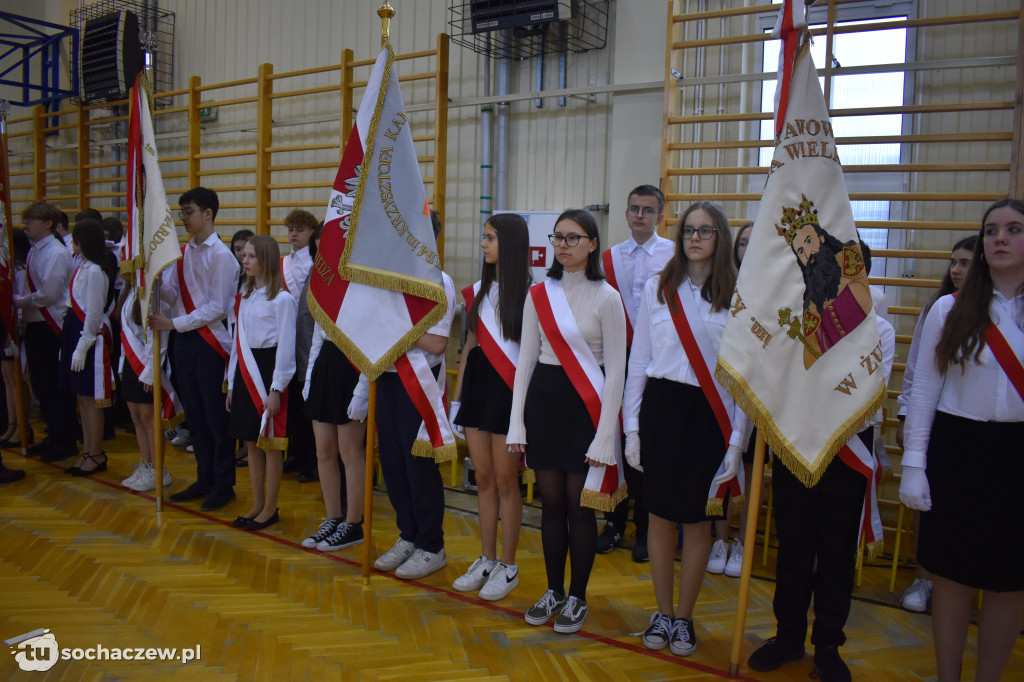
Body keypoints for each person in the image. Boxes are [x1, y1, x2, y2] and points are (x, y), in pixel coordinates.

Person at [749, 242, 895, 682]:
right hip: (798, 448)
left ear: (863, 279)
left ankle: (829, 643)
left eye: (853, 272)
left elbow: (870, 401)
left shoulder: (878, 331)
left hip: (846, 452)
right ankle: (789, 635)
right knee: (792, 549)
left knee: (835, 553)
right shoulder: (797, 325)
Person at [900, 198, 1024, 682]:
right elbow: (926, 389)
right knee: (950, 578)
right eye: (992, 229)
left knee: (1010, 583)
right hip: (958, 450)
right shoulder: (949, 309)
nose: (1000, 238)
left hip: (1016, 456)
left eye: (1014, 229)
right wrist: (914, 462)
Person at [623, 201, 746, 656]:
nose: (695, 238)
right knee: (658, 518)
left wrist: (737, 441)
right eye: (689, 230)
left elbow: (745, 379)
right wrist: (631, 427)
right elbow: (639, 362)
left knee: (697, 524)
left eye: (706, 231)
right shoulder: (659, 287)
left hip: (710, 416)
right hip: (661, 408)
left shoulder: (738, 296)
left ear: (721, 238)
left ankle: (684, 618)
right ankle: (660, 610)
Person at [507, 209, 626, 634]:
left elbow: (616, 371)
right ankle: (554, 590)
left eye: (573, 238)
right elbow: (524, 360)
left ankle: (578, 596)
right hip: (545, 403)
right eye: (558, 237)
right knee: (551, 504)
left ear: (593, 243)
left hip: (585, 409)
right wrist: (516, 423)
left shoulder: (608, 297)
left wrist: (605, 435)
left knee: (579, 508)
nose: (563, 244)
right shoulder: (540, 293)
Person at [349, 211, 456, 579]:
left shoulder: (439, 283)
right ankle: (408, 535)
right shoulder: (391, 281)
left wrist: (397, 326)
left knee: (418, 467)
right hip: (388, 380)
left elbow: (437, 343)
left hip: (420, 383)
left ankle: (432, 545)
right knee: (392, 465)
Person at [450, 213, 532, 600]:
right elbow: (468, 347)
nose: (483, 244)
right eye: (483, 237)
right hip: (480, 386)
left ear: (511, 243)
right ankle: (485, 558)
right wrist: (457, 397)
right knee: (481, 478)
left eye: (491, 238)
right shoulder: (478, 291)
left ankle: (509, 565)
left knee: (505, 481)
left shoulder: (533, 293)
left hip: (511, 391)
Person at [894, 234, 976, 613]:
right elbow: (916, 375)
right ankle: (925, 580)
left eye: (966, 263)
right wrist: (906, 415)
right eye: (954, 262)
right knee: (932, 508)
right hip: (939, 425)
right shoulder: (939, 309)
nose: (957, 270)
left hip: (982, 428)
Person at [596, 184, 674, 562]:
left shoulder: (674, 255)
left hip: (657, 361)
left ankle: (645, 526)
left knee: (645, 443)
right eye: (633, 209)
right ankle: (614, 521)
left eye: (647, 209)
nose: (639, 215)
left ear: (660, 215)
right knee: (612, 440)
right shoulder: (609, 258)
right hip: (617, 357)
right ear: (625, 214)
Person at [151, 187, 240, 511]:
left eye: (188, 211)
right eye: (181, 212)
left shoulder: (222, 257)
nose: (183, 218)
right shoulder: (184, 252)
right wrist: (157, 282)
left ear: (207, 213)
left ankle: (223, 483)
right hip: (185, 340)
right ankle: (204, 478)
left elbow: (217, 307)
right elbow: (174, 294)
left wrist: (173, 324)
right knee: (196, 417)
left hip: (210, 343)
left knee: (215, 418)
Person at [301, 222, 367, 552]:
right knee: (323, 450)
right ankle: (333, 516)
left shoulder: (365, 280)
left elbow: (372, 338)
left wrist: (363, 390)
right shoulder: (323, 279)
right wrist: (311, 376)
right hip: (327, 361)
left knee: (349, 452)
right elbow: (317, 332)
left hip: (353, 364)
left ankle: (354, 523)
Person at [226, 236, 296, 531]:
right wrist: (231, 384)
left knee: (270, 445)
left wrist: (276, 388)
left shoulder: (282, 299)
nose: (245, 259)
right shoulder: (244, 296)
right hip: (245, 371)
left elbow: (286, 348)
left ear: (265, 260)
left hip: (269, 372)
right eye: (244, 255)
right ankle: (256, 503)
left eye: (252, 256)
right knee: (251, 442)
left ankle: (270, 507)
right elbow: (236, 345)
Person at [709, 221, 756, 578]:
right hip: (725, 395)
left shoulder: (780, 290)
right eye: (742, 243)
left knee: (752, 473)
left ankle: (743, 542)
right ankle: (721, 539)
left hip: (762, 396)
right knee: (723, 469)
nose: (747, 250)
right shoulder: (721, 285)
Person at [779, 196, 873, 368]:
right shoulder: (809, 308)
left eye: (809, 241)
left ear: (821, 238)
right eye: (801, 251)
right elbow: (809, 361)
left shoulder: (848, 260)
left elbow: (863, 303)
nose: (808, 253)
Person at [15, 201, 76, 462]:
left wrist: (18, 301)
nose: (26, 224)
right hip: (36, 325)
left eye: (32, 220)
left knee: (55, 386)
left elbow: (49, 294)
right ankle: (53, 433)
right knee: (40, 384)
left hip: (51, 326)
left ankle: (65, 440)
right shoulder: (35, 250)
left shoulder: (56, 252)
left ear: (48, 223)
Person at [59, 219, 117, 476]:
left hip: (89, 336)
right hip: (74, 331)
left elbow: (93, 314)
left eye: (75, 239)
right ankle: (87, 450)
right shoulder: (81, 266)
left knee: (93, 400)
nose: (72, 243)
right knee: (81, 398)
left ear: (84, 242)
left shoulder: (95, 271)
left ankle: (96, 452)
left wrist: (83, 346)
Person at [118, 279, 177, 492]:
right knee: (136, 416)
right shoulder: (129, 289)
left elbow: (159, 335)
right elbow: (125, 331)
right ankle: (147, 464)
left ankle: (159, 470)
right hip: (131, 361)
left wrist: (151, 371)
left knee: (148, 417)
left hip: (147, 362)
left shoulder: (152, 290)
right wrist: (121, 362)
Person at [280, 209, 317, 482]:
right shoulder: (285, 262)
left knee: (307, 397)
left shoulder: (314, 264)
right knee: (291, 397)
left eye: (300, 230)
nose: (294, 234)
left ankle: (310, 459)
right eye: (291, 229)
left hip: (308, 334)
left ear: (312, 233)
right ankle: (296, 451)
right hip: (288, 334)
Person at [0, 229, 32, 447]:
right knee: (8, 379)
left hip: (18, 329)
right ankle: (12, 424)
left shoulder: (18, 271)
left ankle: (23, 425)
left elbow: (20, 300)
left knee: (17, 380)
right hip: (8, 329)